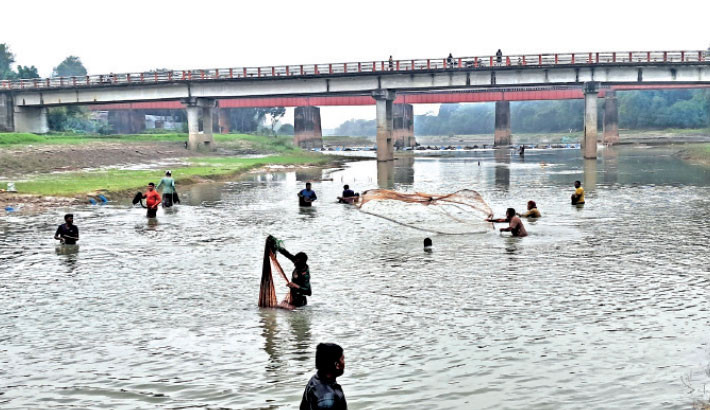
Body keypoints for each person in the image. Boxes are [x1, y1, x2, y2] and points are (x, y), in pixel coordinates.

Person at [300, 343, 347, 410]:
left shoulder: (315, 380)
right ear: (336, 364)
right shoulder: (326, 399)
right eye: (342, 359)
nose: (343, 363)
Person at [274, 241, 312, 308]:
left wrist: (295, 285)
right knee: (276, 307)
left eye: (296, 262)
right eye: (294, 261)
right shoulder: (297, 262)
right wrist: (276, 246)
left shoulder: (305, 275)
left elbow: (308, 292)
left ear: (302, 263)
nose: (294, 263)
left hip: (300, 302)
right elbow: (286, 254)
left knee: (278, 307)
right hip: (293, 298)